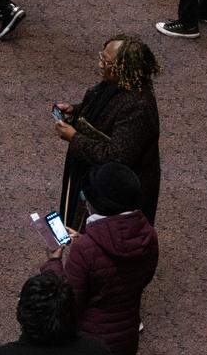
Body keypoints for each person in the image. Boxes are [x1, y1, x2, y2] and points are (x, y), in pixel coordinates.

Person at [42, 162, 159, 355]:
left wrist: (54, 263)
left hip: (92, 338)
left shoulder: (85, 251)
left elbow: (67, 302)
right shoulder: (148, 236)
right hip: (125, 337)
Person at [54, 35, 161, 229]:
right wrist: (76, 111)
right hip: (99, 180)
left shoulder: (138, 107)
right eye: (102, 57)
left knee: (105, 241)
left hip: (116, 195)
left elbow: (116, 155)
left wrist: (74, 138)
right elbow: (106, 113)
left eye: (106, 61)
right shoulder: (121, 83)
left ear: (125, 68)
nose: (100, 64)